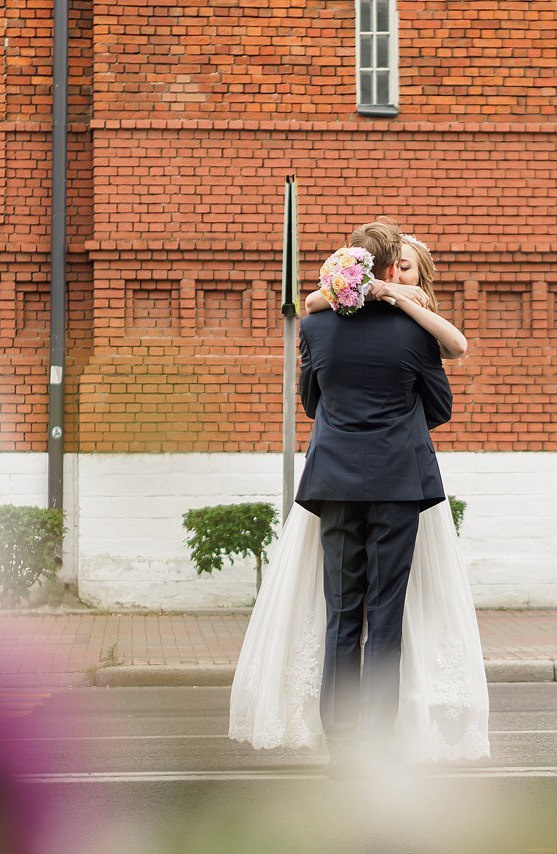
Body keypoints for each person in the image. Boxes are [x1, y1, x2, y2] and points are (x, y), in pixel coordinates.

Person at [229, 226, 489, 772]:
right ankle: (377, 738)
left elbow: (310, 401)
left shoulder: (318, 327)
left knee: (342, 611)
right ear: (391, 266)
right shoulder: (413, 333)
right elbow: (439, 408)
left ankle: (341, 737)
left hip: (334, 485)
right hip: (398, 486)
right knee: (386, 614)